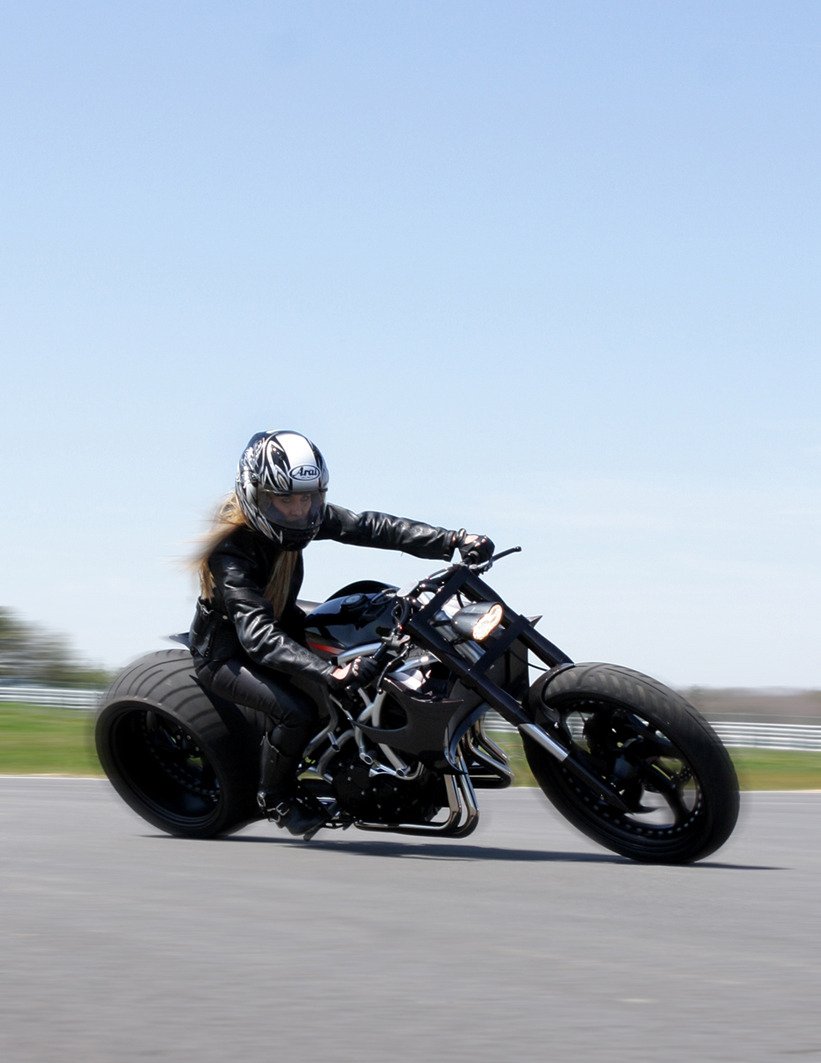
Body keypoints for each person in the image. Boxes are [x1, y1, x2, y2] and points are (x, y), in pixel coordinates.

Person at [190, 429, 494, 840]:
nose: (299, 510)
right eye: (285, 500)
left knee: (373, 642)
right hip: (228, 655)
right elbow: (256, 635)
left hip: (283, 625)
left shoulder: (302, 517)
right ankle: (276, 798)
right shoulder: (231, 554)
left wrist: (452, 540)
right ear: (256, 495)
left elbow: (371, 526)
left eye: (309, 497)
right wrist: (328, 673)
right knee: (297, 711)